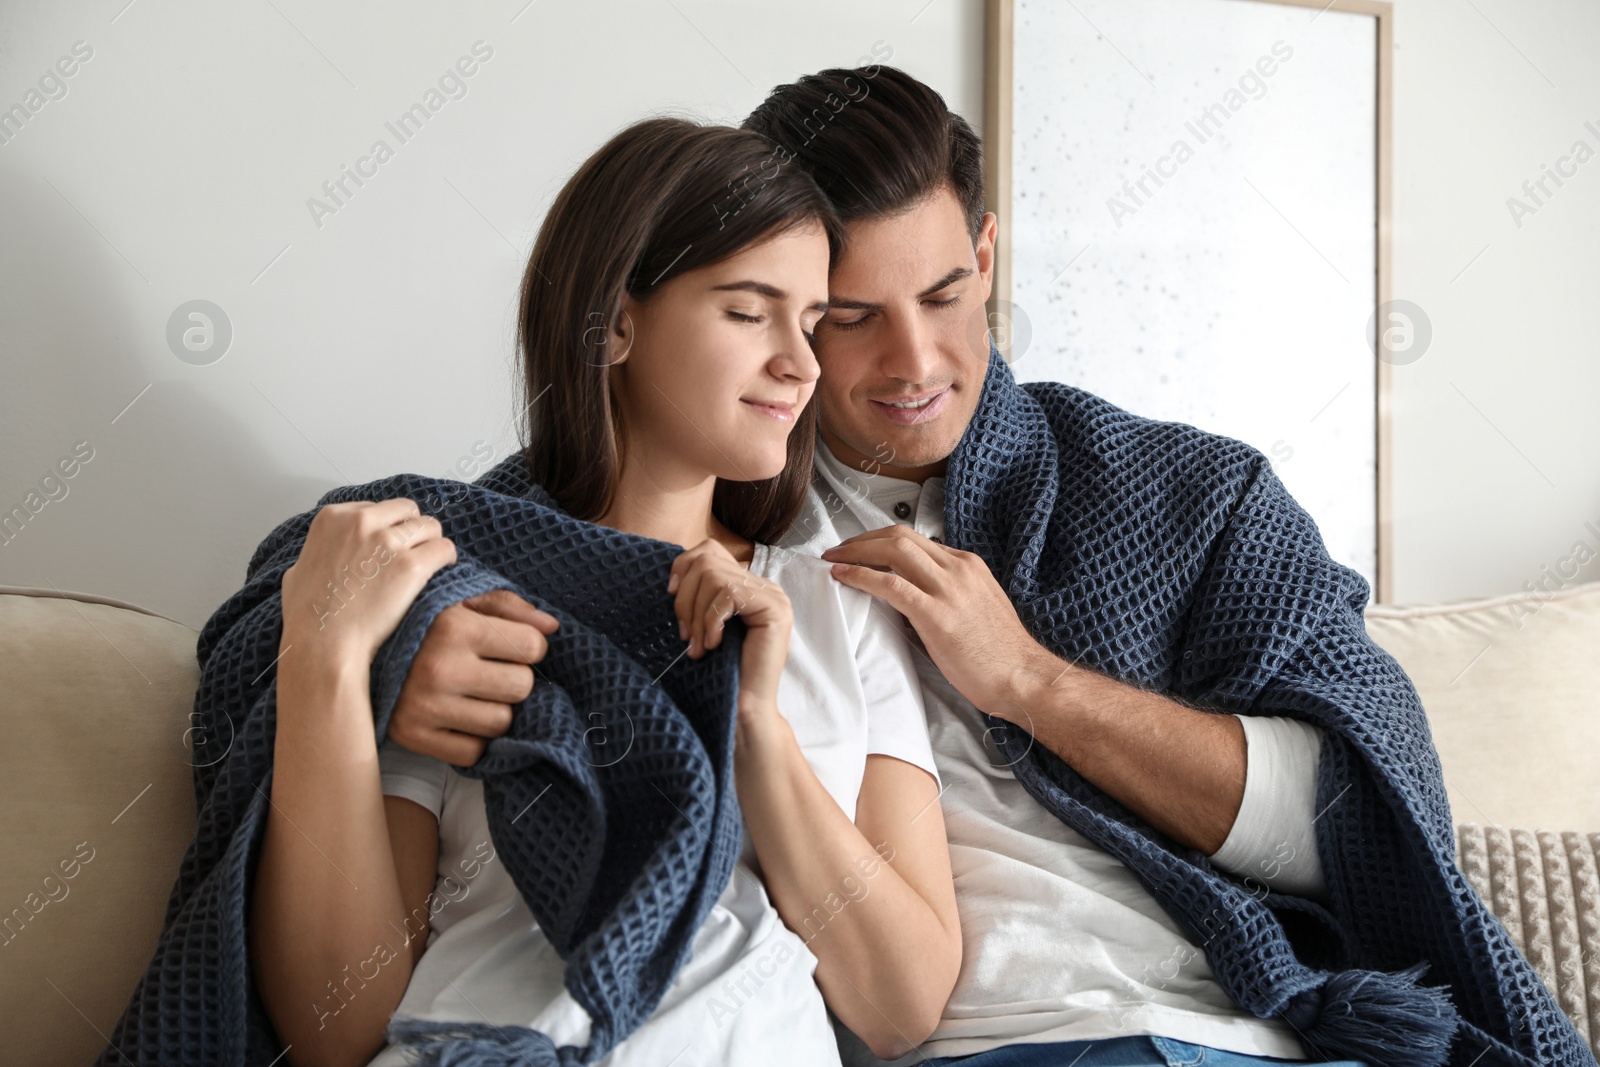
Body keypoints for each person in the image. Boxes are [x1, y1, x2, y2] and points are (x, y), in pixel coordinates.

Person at [248, 116, 961, 1067]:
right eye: (750, 313)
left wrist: (752, 723)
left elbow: (901, 1005)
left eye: (812, 321)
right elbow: (333, 1027)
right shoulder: (458, 605)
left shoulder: (838, 607)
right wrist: (327, 661)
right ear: (615, 322)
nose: (801, 363)